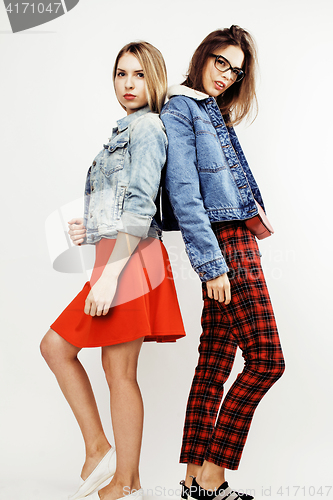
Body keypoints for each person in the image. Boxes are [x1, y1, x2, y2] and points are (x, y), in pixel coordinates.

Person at [40, 41, 185, 500]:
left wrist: (107, 275)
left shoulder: (147, 130)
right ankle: (107, 458)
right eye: (121, 74)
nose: (128, 83)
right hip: (118, 253)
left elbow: (142, 208)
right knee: (62, 350)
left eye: (139, 75)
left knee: (115, 370)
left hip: (131, 260)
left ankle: (124, 481)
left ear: (154, 79)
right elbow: (126, 205)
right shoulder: (123, 131)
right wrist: (95, 226)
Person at [160, 26, 285, 500]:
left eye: (236, 70)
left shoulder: (213, 112)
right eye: (220, 63)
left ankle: (193, 480)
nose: (227, 76)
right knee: (268, 362)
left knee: (215, 360)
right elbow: (186, 195)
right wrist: (211, 266)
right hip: (224, 246)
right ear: (203, 56)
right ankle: (214, 475)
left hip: (235, 240)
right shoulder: (181, 108)